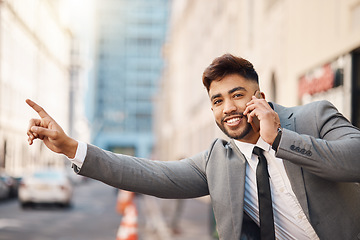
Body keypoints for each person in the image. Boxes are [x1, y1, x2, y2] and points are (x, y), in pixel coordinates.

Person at [26, 53, 360, 240]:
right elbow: (147, 174)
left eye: (237, 95)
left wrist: (281, 140)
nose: (227, 107)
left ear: (259, 97)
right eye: (217, 100)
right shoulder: (219, 158)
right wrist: (72, 147)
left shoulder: (313, 117)